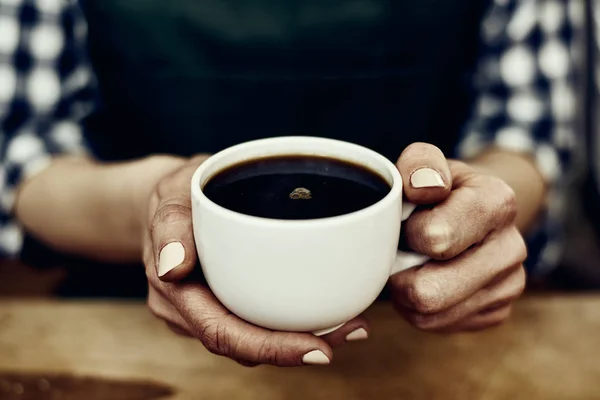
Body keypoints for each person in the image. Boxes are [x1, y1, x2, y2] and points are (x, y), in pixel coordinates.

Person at [0, 0, 572, 367]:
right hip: (129, 337)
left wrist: (466, 221)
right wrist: (156, 213)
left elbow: (528, 133)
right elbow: (24, 154)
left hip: (425, 345)